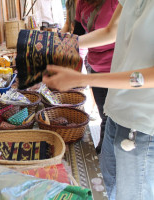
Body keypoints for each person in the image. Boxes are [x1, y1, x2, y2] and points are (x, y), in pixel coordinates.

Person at [43, 1, 154, 199]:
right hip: (116, 111)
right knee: (104, 189)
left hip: (142, 126)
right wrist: (62, 43)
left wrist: (83, 78)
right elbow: (111, 31)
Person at [67, 0, 118, 154]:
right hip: (96, 65)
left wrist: (61, 43)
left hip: (117, 68)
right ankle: (103, 152)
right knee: (105, 115)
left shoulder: (117, 3)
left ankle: (104, 152)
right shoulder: (82, 3)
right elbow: (78, 33)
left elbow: (112, 33)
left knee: (115, 120)